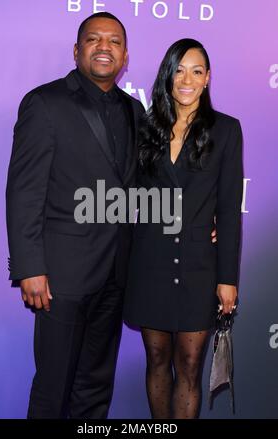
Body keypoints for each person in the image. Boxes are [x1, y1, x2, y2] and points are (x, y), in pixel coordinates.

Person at [6, 12, 145, 419]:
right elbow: (24, 190)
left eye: (115, 41)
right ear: (77, 49)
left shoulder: (135, 111)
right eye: (94, 39)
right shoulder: (45, 102)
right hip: (60, 280)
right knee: (53, 390)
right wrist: (30, 266)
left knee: (96, 389)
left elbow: (150, 186)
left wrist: (201, 220)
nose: (105, 47)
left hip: (115, 276)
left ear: (125, 56)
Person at [124, 38, 243, 419]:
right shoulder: (145, 127)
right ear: (167, 76)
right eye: (178, 70)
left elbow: (227, 209)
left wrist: (227, 278)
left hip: (198, 266)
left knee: (189, 367)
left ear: (207, 78)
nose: (186, 79)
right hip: (151, 262)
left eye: (196, 70)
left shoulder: (225, 130)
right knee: (157, 360)